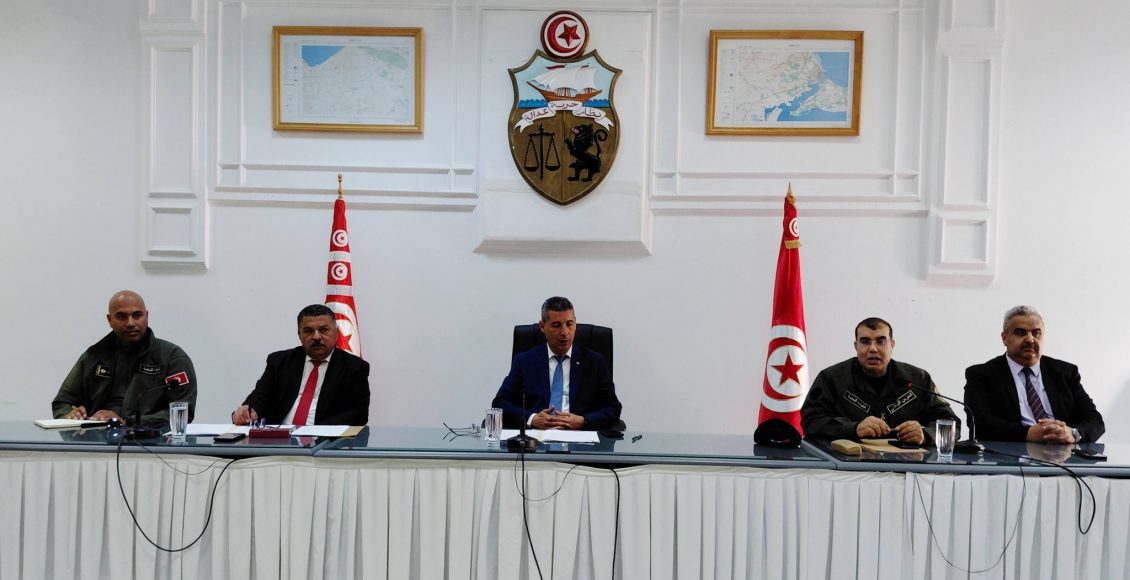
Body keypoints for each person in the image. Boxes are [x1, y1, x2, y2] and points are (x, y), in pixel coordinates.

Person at [801, 317, 958, 444]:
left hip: (905, 465)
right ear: (856, 346)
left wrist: (926, 434)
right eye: (865, 341)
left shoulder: (917, 379)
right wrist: (853, 429)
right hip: (848, 465)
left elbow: (951, 423)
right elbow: (810, 420)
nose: (873, 349)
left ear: (892, 345)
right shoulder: (832, 379)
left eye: (881, 341)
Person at [52, 290, 197, 427]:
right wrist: (70, 415)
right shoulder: (94, 356)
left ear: (147, 316)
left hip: (149, 438)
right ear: (109, 320)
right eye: (121, 316)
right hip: (96, 437)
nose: (130, 323)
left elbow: (183, 412)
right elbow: (62, 402)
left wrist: (127, 422)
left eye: (137, 315)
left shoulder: (172, 357)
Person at [963, 306, 1104, 443]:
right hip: (1012, 454)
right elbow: (979, 423)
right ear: (1004, 338)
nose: (1030, 339)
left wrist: (1072, 434)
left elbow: (1095, 421)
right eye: (1021, 333)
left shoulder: (1065, 373)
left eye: (1036, 333)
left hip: (1064, 453)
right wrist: (1028, 433)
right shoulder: (982, 375)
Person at [492, 297, 622, 430]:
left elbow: (613, 406)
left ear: (575, 323)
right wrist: (532, 418)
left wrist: (584, 421)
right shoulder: (525, 361)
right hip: (537, 436)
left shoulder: (594, 361)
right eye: (556, 325)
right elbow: (500, 403)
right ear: (542, 326)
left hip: (578, 435)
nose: (565, 332)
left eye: (569, 324)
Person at [232, 304, 370, 426]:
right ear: (299, 334)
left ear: (336, 332)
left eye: (323, 330)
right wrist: (247, 411)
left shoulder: (354, 367)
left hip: (324, 440)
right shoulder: (280, 362)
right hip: (279, 438)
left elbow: (359, 413)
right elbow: (260, 397)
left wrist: (315, 431)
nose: (316, 337)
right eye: (308, 331)